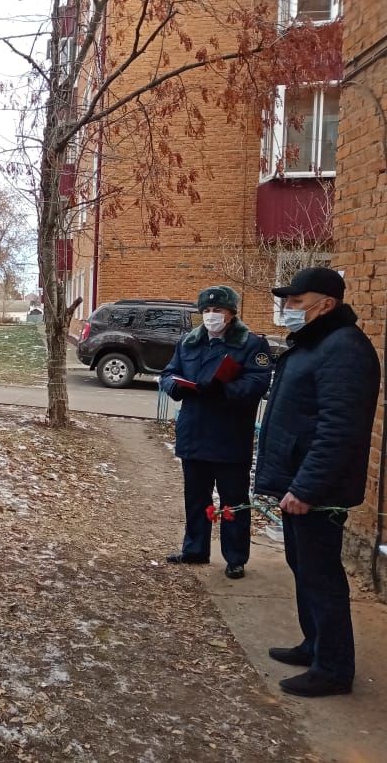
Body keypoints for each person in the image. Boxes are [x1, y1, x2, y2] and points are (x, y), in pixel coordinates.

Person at [254, 267, 380, 698]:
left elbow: (338, 430)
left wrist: (307, 488)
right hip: (298, 481)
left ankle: (333, 668)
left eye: (295, 301)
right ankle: (314, 645)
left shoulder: (344, 349)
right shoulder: (316, 343)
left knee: (321, 577)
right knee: (303, 569)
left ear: (325, 303)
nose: (288, 309)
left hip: (316, 492)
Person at [160, 286, 272, 579]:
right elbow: (168, 373)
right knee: (196, 496)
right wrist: (176, 386)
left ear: (232, 313)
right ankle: (195, 549)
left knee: (233, 499)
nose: (211, 316)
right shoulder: (189, 342)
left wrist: (226, 389)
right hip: (194, 431)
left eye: (218, 311)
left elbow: (259, 382)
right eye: (207, 311)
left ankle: (235, 557)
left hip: (230, 435)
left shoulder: (250, 344)